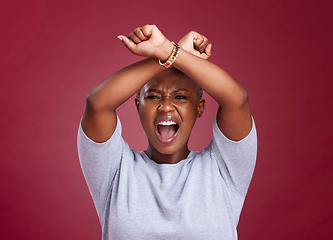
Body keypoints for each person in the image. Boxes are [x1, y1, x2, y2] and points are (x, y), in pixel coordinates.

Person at [77, 24, 257, 240]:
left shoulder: (221, 169)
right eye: (153, 96)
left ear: (199, 107)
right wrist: (169, 54)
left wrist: (168, 51)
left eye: (180, 97)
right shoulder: (116, 170)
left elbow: (237, 100)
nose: (166, 106)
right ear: (137, 106)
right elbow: (97, 104)